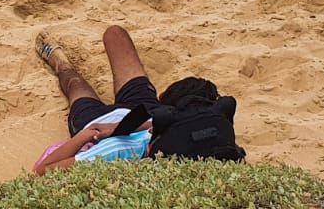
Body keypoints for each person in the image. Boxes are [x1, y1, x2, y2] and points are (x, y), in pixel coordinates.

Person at [29, 27, 240, 175]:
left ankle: (59, 61)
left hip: (99, 120)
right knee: (114, 35)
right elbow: (168, 121)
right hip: (143, 112)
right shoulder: (183, 131)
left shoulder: (118, 151)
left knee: (75, 84)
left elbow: (43, 171)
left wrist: (85, 135)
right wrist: (124, 126)